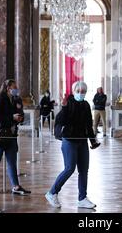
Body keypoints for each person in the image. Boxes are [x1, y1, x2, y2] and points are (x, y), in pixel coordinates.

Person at [45, 81, 100, 209]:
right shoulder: (68, 103)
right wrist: (64, 107)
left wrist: (93, 141)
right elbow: (61, 121)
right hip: (69, 140)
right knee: (69, 168)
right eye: (78, 91)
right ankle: (52, 192)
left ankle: (82, 198)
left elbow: (88, 125)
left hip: (82, 141)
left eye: (83, 92)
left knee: (83, 171)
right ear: (73, 91)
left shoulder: (86, 105)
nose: (80, 94)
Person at [0, 79, 31, 196]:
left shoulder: (16, 99)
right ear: (8, 87)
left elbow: (20, 113)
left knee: (12, 161)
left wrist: (20, 118)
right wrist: (12, 117)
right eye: (14, 87)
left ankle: (16, 186)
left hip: (12, 134)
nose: (16, 89)